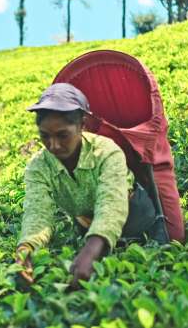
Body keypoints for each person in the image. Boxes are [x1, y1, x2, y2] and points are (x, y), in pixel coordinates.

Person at [16, 83, 139, 289]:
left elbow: (111, 203)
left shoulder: (107, 152)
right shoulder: (38, 167)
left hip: (134, 217)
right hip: (87, 228)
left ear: (82, 125)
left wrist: (91, 251)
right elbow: (38, 213)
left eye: (62, 135)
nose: (53, 145)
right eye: (45, 135)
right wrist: (25, 250)